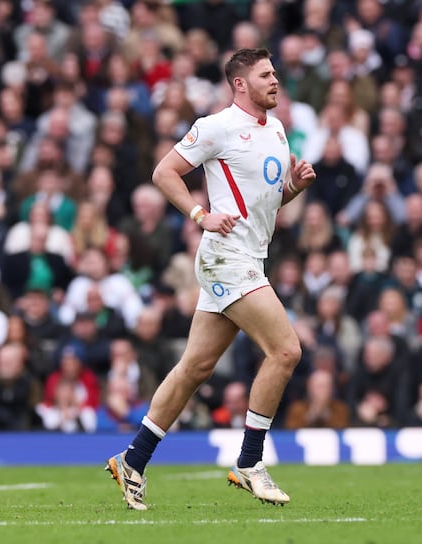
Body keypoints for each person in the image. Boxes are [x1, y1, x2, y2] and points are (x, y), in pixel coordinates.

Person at [105, 48, 316, 510]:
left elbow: (267, 203)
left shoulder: (277, 130)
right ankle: (249, 461)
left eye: (275, 73)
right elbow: (164, 172)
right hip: (226, 257)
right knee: (285, 350)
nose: (275, 81)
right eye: (265, 75)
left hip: (249, 257)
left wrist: (295, 187)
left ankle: (132, 460)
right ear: (240, 84)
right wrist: (200, 214)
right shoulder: (215, 126)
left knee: (195, 368)